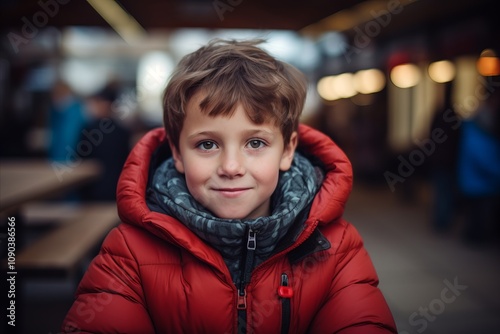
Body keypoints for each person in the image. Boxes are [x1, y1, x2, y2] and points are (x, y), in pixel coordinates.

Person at [62, 39, 397, 333]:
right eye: (207, 145)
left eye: (255, 143)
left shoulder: (336, 249)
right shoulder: (129, 252)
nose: (231, 168)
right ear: (177, 152)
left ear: (288, 150)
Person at [457, 78, 500, 246]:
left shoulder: (484, 122)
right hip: (479, 180)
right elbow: (480, 154)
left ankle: (476, 238)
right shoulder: (480, 123)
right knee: (479, 215)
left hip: (481, 180)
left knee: (479, 215)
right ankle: (475, 239)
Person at [78, 84, 132, 202]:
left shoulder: (89, 129)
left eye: (98, 102)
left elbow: (81, 158)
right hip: (115, 188)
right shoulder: (122, 131)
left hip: (93, 190)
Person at [427, 81, 461, 234]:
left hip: (440, 160)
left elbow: (430, 136)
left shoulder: (439, 115)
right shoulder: (453, 117)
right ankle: (443, 220)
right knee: (445, 191)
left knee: (441, 191)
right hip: (447, 161)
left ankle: (441, 220)